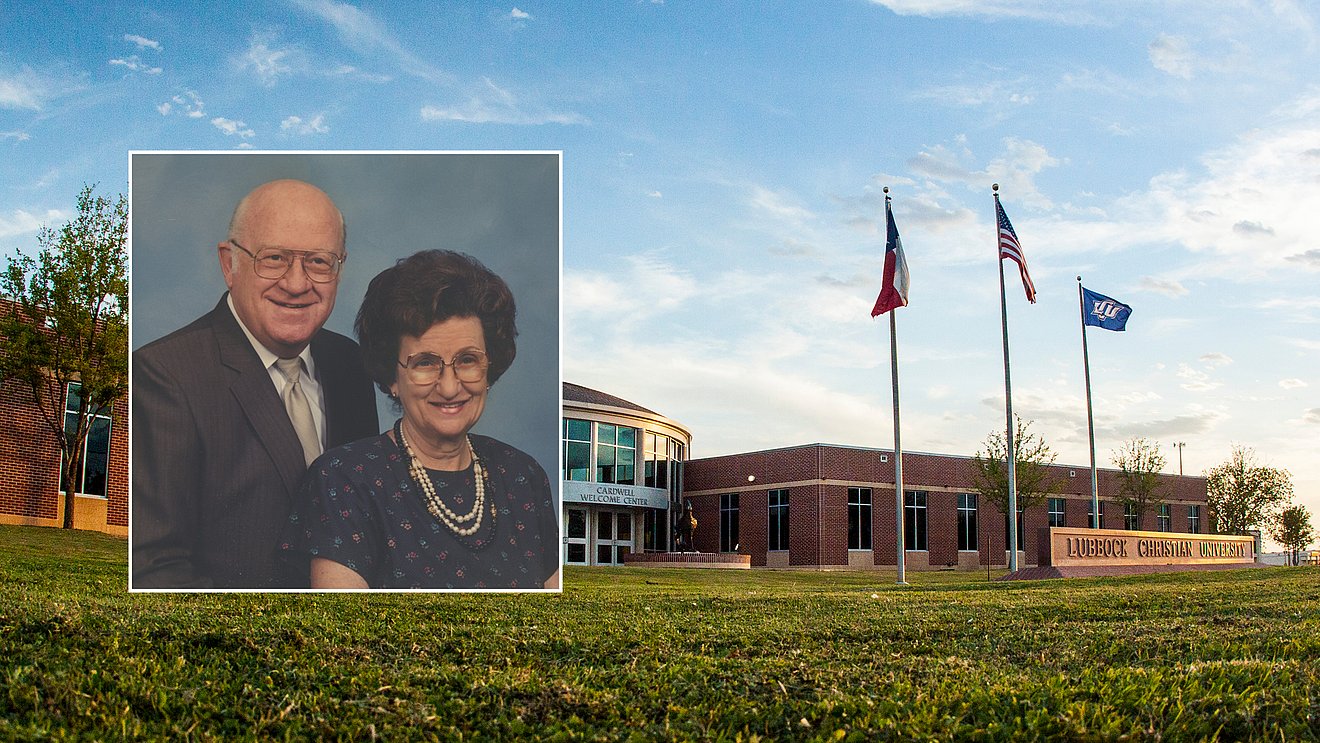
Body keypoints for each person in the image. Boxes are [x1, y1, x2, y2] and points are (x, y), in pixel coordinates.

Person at [132, 179, 379, 589]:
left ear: (340, 268)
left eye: (319, 261)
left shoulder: (351, 366)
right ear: (230, 264)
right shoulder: (164, 374)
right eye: (274, 258)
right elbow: (155, 570)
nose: (297, 283)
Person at [284, 249, 560, 589]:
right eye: (425, 363)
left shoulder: (523, 475)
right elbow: (344, 633)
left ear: (490, 367)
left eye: (468, 360)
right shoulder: (344, 479)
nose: (449, 386)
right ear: (391, 377)